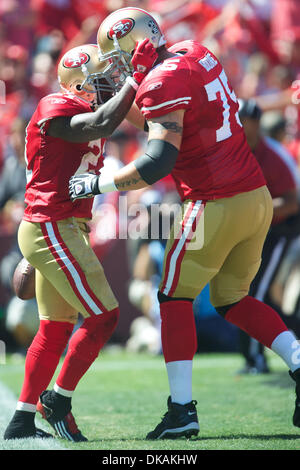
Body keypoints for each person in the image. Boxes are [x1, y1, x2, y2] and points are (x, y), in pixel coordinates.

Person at [69, 7, 300, 440]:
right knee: (232, 299)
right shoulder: (193, 51)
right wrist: (124, 97)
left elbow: (158, 161)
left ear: (135, 47)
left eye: (118, 58)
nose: (118, 69)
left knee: (172, 298)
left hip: (214, 202)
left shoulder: (159, 81)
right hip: (254, 198)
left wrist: (97, 183)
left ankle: (181, 410)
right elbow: (162, 116)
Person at [4, 40, 158, 441]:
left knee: (55, 327)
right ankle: (58, 400)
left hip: (65, 225)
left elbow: (137, 119)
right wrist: (135, 78)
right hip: (51, 223)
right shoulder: (57, 106)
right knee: (104, 316)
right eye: (102, 78)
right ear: (77, 85)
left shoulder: (90, 106)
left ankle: (21, 421)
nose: (111, 82)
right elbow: (101, 125)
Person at [237, 99, 300, 374]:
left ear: (256, 123)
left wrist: (256, 209)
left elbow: (293, 201)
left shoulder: (273, 155)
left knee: (258, 293)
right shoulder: (232, 150)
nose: (239, 126)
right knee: (247, 293)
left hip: (281, 230)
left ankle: (256, 358)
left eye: (244, 121)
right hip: (254, 231)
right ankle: (256, 355)